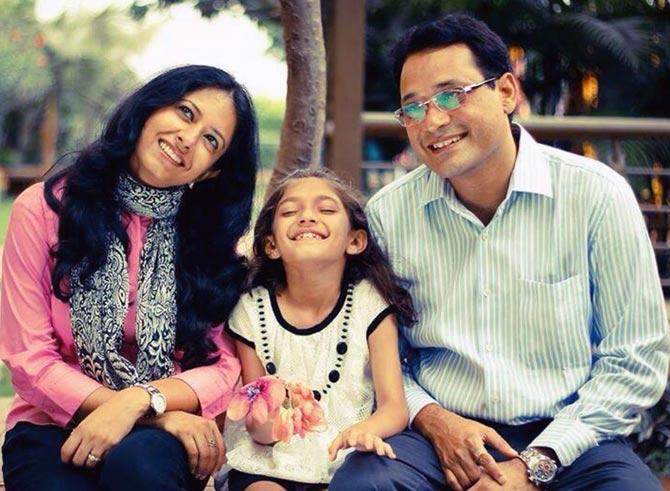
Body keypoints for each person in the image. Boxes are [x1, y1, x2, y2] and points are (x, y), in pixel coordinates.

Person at [330, 13, 670, 491]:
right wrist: (433, 419)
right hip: (436, 434)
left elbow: (635, 359)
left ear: (507, 92)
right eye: (414, 108)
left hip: (572, 437)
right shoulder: (388, 213)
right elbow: (378, 355)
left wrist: (537, 463)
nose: (434, 121)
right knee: (361, 484)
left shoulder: (596, 196)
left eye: (451, 95)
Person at [0, 65, 258, 490]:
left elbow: (221, 363)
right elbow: (29, 357)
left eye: (211, 141)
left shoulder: (209, 242)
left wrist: (143, 403)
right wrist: (124, 409)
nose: (188, 139)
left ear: (212, 170)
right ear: (149, 109)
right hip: (51, 422)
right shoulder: (43, 211)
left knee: (140, 470)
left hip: (167, 435)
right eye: (185, 113)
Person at [222, 168, 413, 490]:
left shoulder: (371, 305)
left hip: (346, 459)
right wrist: (269, 422)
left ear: (355, 240)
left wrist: (366, 430)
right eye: (290, 211)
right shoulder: (251, 311)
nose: (307, 217)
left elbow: (394, 406)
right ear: (271, 245)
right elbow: (258, 425)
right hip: (268, 463)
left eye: (325, 209)